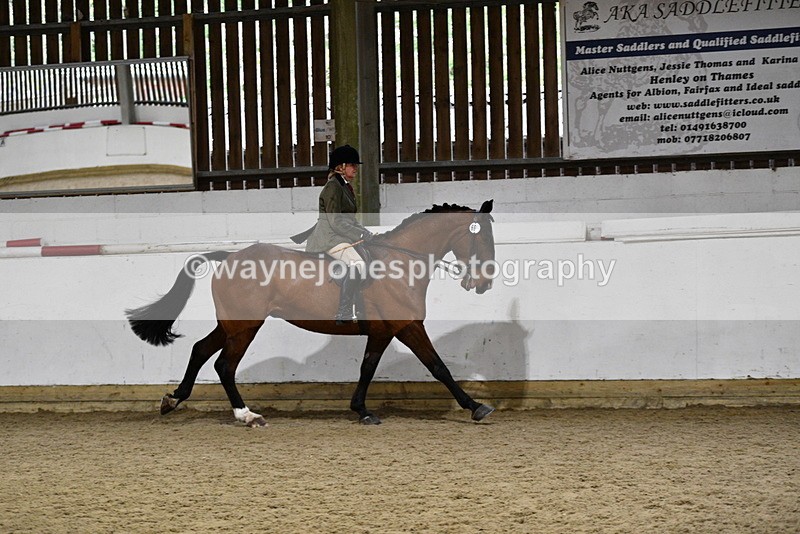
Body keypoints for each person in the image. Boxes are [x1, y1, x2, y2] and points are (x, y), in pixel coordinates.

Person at [301, 144, 373, 324]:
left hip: (341, 236)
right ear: (341, 167)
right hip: (330, 238)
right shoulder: (333, 187)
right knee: (357, 264)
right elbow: (336, 221)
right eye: (352, 165)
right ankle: (344, 311)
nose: (355, 168)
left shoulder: (345, 187)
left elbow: (349, 218)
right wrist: (359, 235)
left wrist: (364, 232)